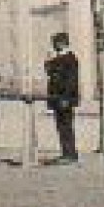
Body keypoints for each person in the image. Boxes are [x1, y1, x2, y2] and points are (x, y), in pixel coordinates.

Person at [44, 32, 80, 164]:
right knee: (61, 126)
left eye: (55, 43)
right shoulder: (58, 58)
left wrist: (66, 97)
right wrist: (48, 61)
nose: (53, 46)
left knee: (66, 126)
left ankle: (70, 154)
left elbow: (71, 81)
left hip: (64, 98)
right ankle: (66, 152)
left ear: (62, 43)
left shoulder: (70, 59)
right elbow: (49, 72)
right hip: (57, 98)